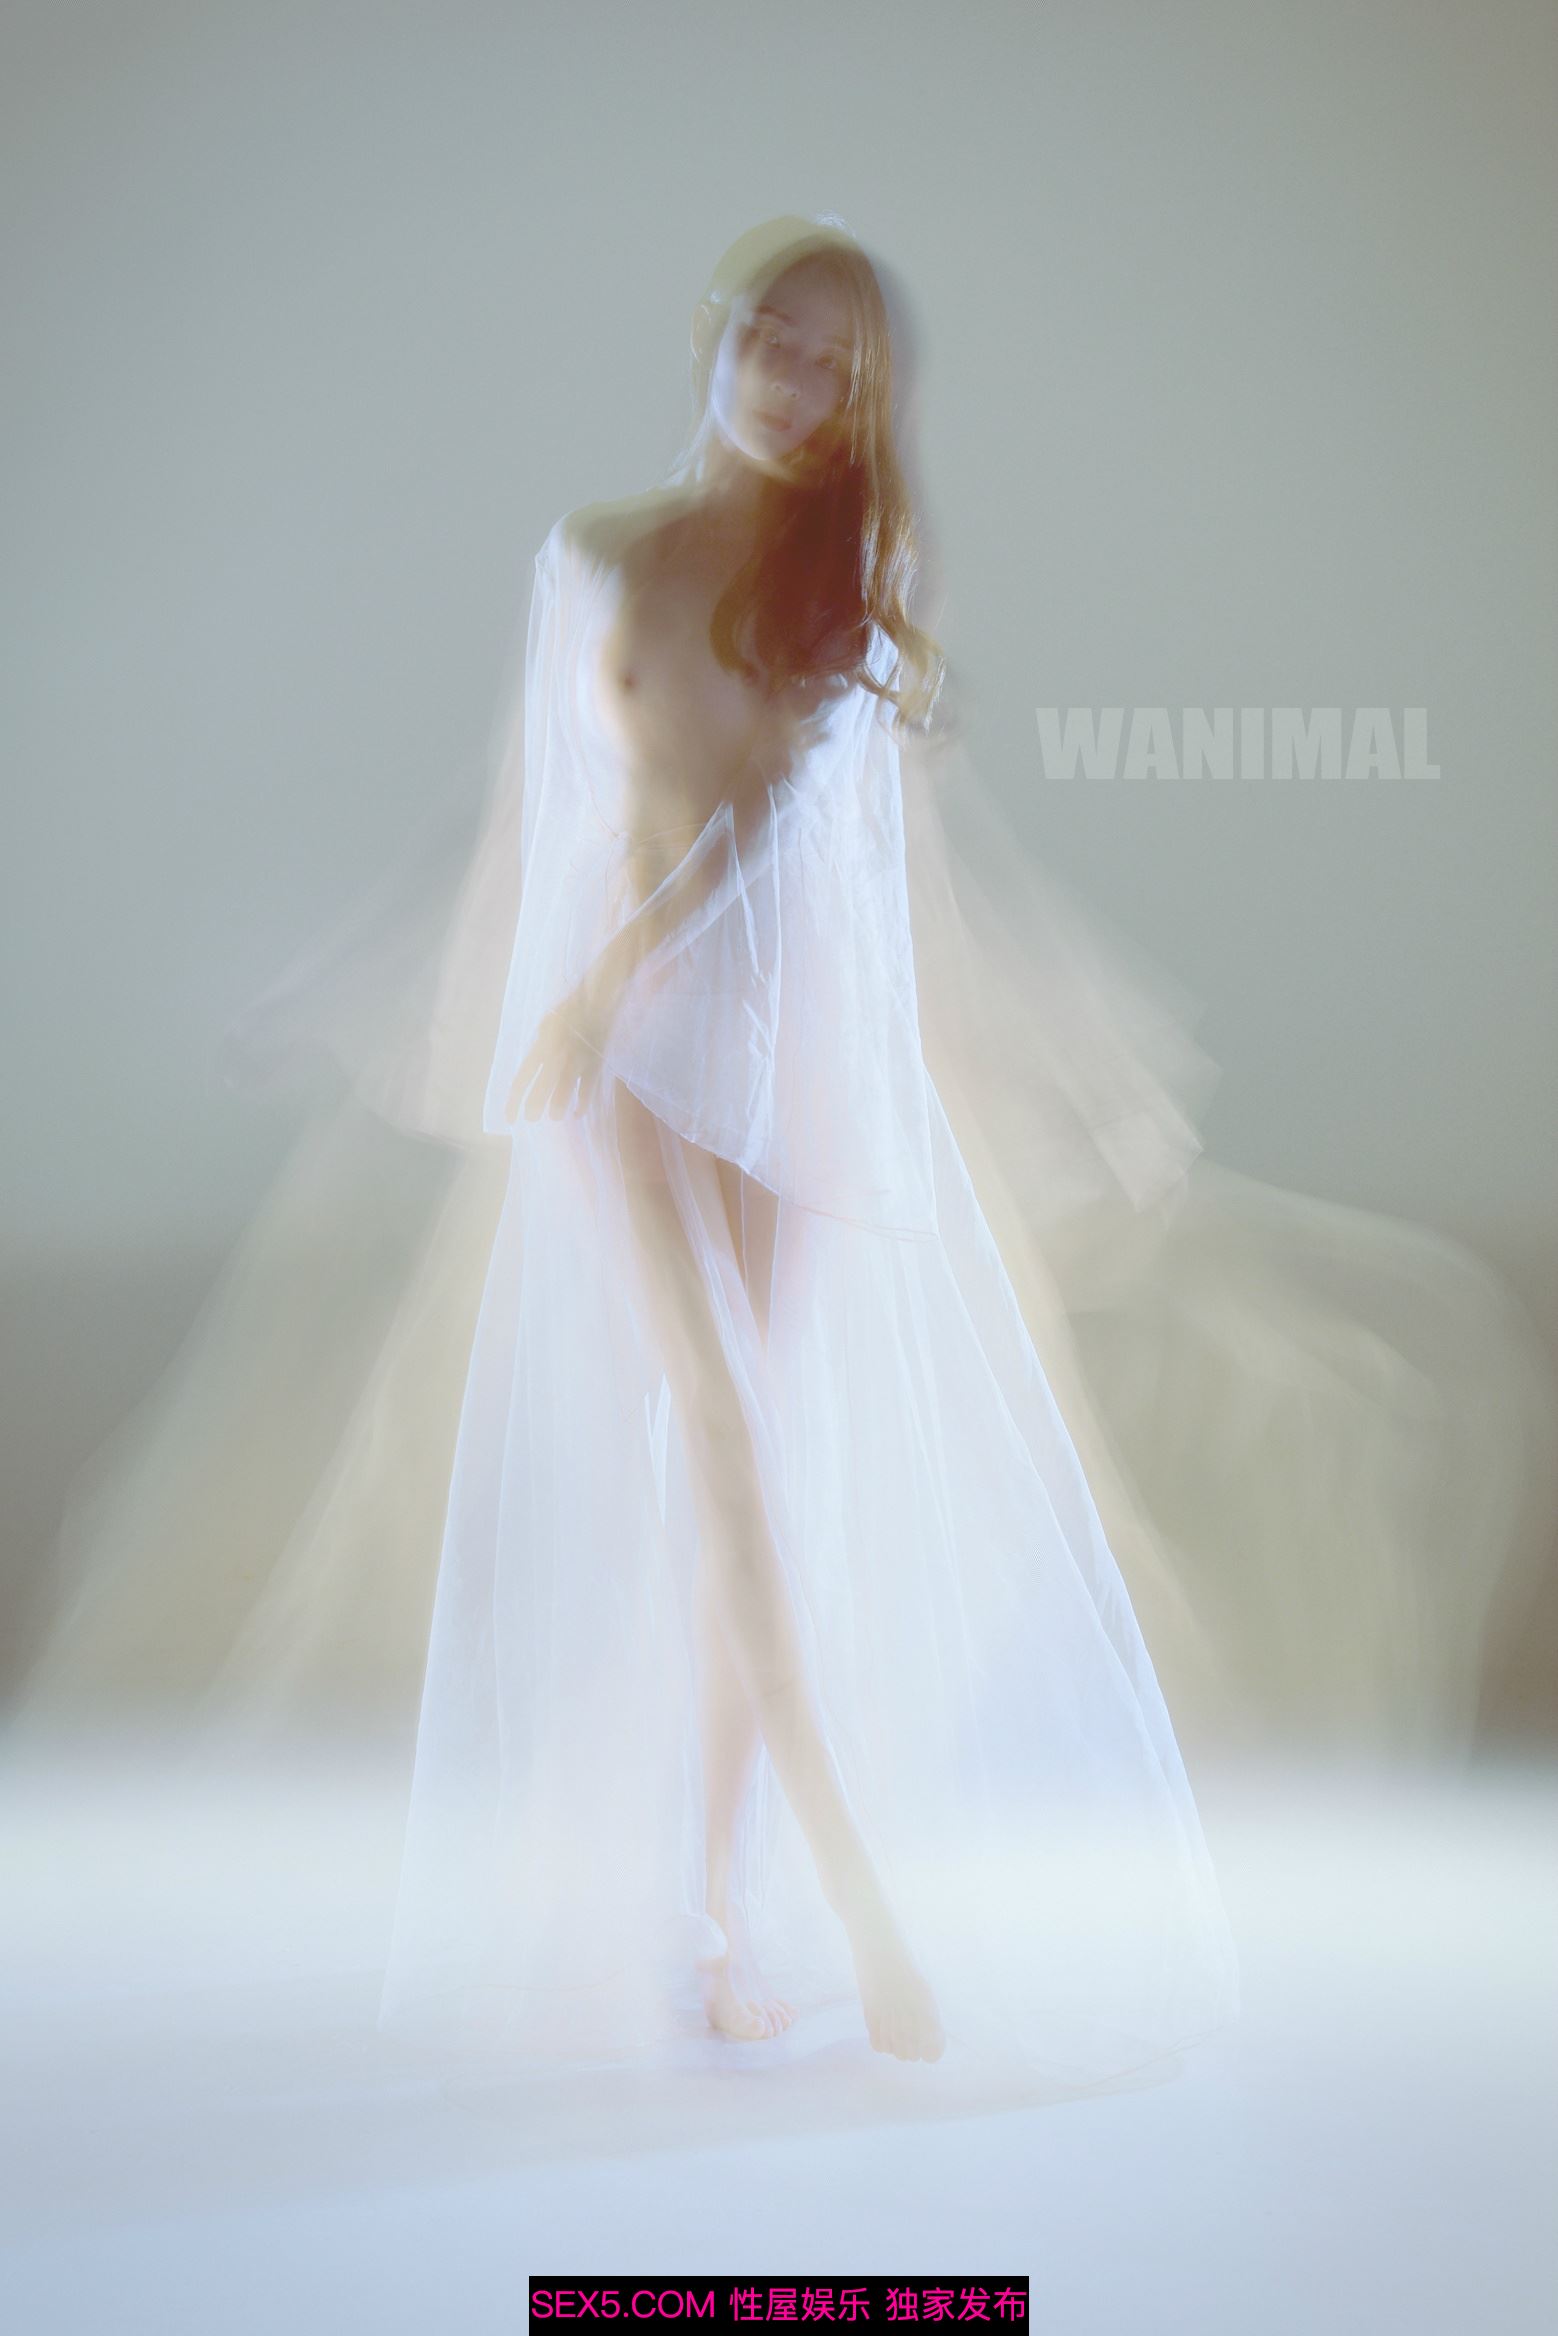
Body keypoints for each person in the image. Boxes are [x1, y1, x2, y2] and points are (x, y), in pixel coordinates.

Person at [371, 216, 1241, 2078]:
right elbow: (552, 814)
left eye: (831, 365)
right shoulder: (595, 555)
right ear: (715, 332)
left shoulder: (852, 575)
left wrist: (1029, 1065)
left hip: (779, 1059)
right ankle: (850, 1908)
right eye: (771, 334)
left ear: (862, 405)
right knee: (728, 1452)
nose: (789, 379)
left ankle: (706, 1905)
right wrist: (542, 1001)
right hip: (633, 1063)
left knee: (738, 1492)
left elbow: (819, 843)